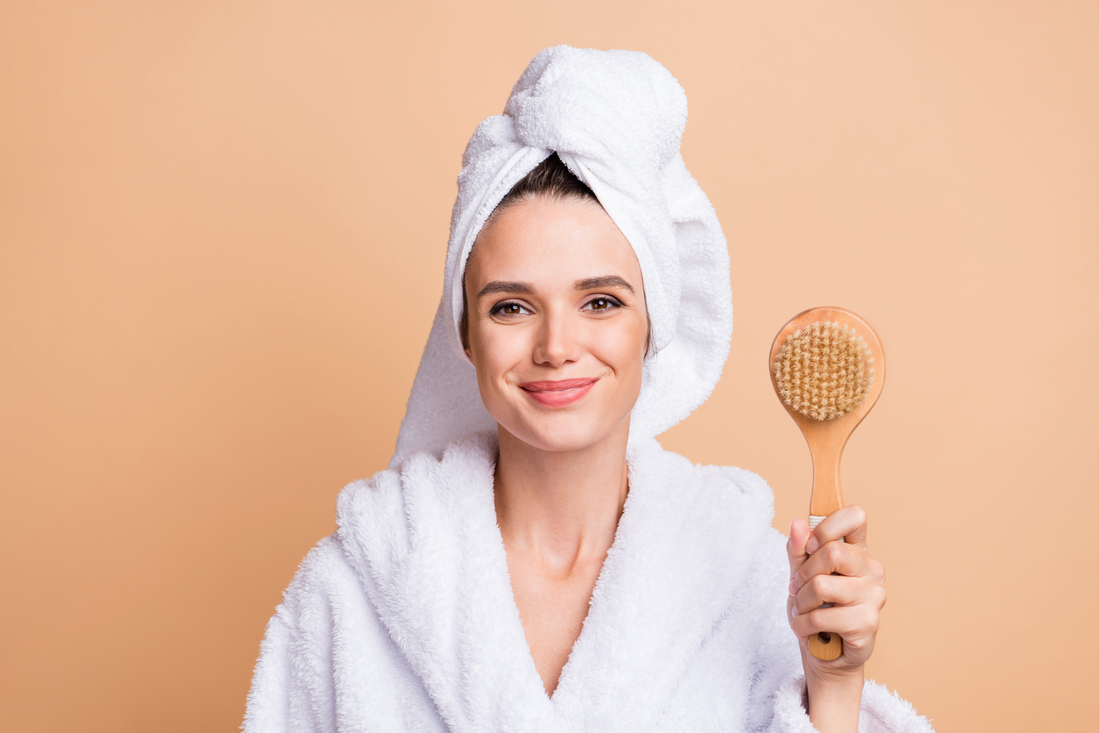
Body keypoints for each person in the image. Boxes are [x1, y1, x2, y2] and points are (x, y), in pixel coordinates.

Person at [244, 46, 933, 733]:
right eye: (511, 306)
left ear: (652, 325)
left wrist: (836, 686)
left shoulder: (747, 582)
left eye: (600, 302)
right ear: (465, 335)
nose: (556, 347)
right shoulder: (349, 591)